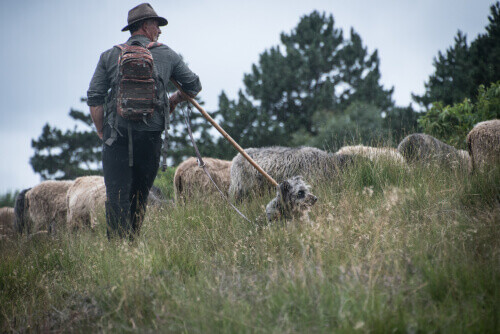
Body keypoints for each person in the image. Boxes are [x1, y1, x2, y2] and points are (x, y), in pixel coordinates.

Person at [87, 3, 202, 240]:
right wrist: (174, 99)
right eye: (157, 25)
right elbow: (194, 86)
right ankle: (132, 244)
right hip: (150, 138)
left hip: (115, 137)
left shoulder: (109, 55)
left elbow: (95, 99)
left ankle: (117, 250)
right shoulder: (167, 55)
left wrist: (102, 132)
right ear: (146, 26)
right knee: (140, 195)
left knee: (117, 194)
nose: (160, 30)